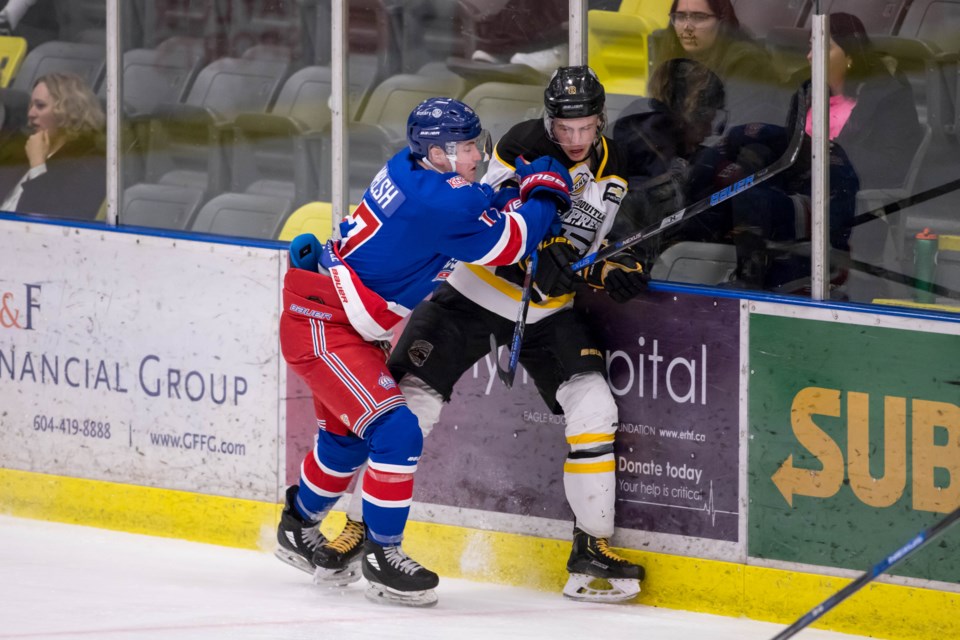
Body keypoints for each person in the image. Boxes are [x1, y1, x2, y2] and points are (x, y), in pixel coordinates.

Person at [314, 66, 647, 604]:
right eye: (565, 128)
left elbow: (596, 237)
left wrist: (609, 267)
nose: (575, 139)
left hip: (545, 312)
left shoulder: (617, 164)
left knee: (594, 409)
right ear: (548, 120)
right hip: (471, 295)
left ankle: (591, 550)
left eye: (586, 128)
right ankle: (360, 532)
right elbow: (484, 218)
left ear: (601, 122)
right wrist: (541, 251)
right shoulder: (520, 143)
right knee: (406, 410)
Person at [274, 97, 572, 607]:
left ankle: (296, 526)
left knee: (347, 441)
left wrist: (505, 194)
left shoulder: (408, 167)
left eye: (478, 142)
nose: (477, 154)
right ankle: (382, 554)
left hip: (330, 317)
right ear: (435, 152)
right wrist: (544, 196)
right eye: (466, 147)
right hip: (326, 327)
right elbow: (511, 243)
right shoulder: (440, 202)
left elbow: (469, 203)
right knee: (396, 429)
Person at [725, 12, 923, 289]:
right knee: (735, 176)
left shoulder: (888, 97)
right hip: (797, 192)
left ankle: (753, 278)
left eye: (822, 47)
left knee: (752, 201)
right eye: (809, 47)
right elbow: (787, 153)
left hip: (843, 206)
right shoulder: (806, 92)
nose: (809, 57)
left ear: (850, 54)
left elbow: (892, 164)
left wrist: (833, 154)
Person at [612, 58, 728, 255]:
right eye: (707, 119)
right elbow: (666, 214)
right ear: (689, 113)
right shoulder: (652, 148)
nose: (709, 132)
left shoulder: (638, 130)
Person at [650, 0, 784, 127]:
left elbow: (732, 131)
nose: (686, 27)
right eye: (680, 16)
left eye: (699, 17)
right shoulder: (671, 56)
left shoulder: (747, 63)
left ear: (722, 22)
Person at [0, 72, 106, 219]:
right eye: (31, 106)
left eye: (40, 106)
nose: (30, 113)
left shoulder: (89, 163)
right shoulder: (21, 151)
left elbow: (46, 220)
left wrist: (37, 166)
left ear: (69, 111)